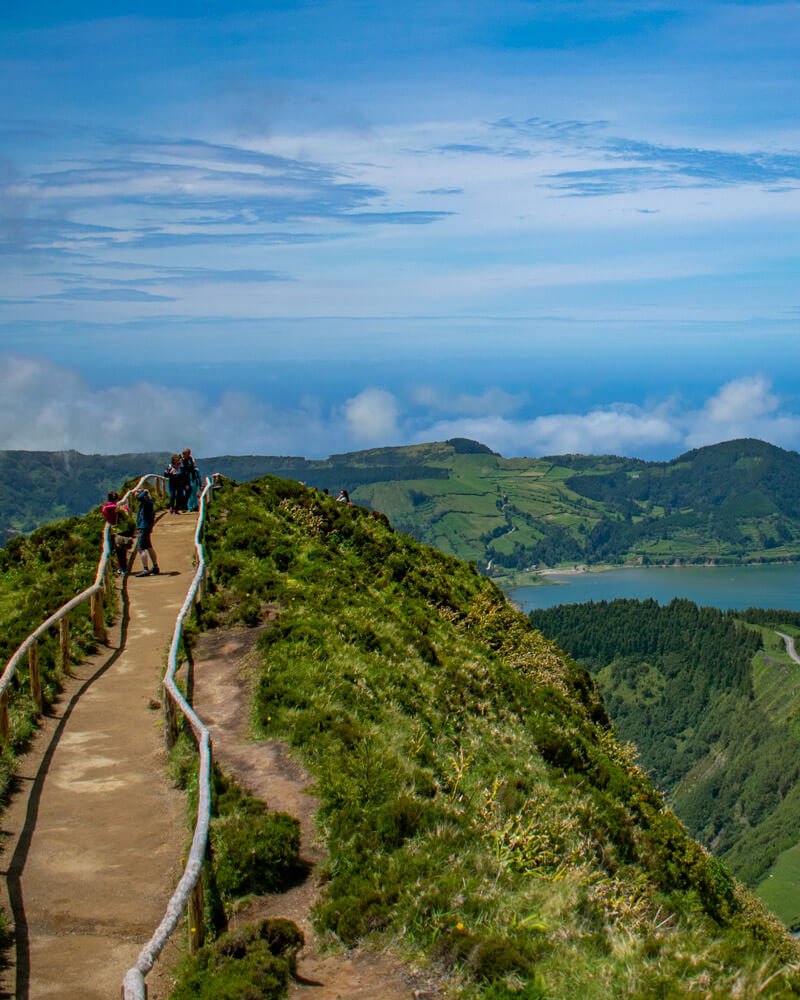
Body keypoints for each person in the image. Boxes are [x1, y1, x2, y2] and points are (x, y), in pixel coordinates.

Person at [133, 487, 160, 577]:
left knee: (140, 549)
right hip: (147, 527)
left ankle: (145, 569)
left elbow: (140, 497)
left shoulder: (145, 502)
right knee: (149, 547)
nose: (135, 495)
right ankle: (155, 567)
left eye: (137, 493)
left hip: (143, 527)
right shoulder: (148, 502)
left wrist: (144, 491)